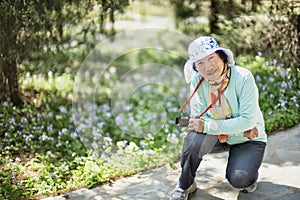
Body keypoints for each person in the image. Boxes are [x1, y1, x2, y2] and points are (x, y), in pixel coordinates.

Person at [170, 36, 267, 200]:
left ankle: (247, 172)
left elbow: (248, 121)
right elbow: (199, 116)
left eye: (211, 58)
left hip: (248, 137)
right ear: (195, 66)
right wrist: (203, 125)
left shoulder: (243, 77)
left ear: (222, 57)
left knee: (240, 180)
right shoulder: (197, 81)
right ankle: (185, 184)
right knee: (193, 140)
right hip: (221, 137)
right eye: (200, 63)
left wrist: (207, 126)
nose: (207, 67)